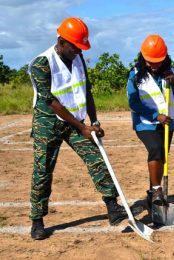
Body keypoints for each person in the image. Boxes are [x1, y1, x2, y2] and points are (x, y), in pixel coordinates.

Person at [28, 17, 140, 240]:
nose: (79, 51)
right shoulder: (41, 64)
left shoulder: (79, 59)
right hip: (48, 122)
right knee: (43, 170)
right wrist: (82, 127)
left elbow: (87, 92)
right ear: (61, 42)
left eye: (81, 47)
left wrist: (95, 122)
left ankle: (112, 207)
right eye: (75, 47)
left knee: (96, 158)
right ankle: (37, 220)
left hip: (75, 121)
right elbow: (51, 102)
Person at [127, 35, 174, 211]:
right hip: (145, 123)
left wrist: (173, 82)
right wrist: (155, 115)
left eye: (158, 61)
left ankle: (154, 196)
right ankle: (156, 190)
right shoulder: (135, 75)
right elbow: (134, 102)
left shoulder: (170, 72)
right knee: (156, 149)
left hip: (167, 124)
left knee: (161, 159)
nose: (154, 65)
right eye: (150, 61)